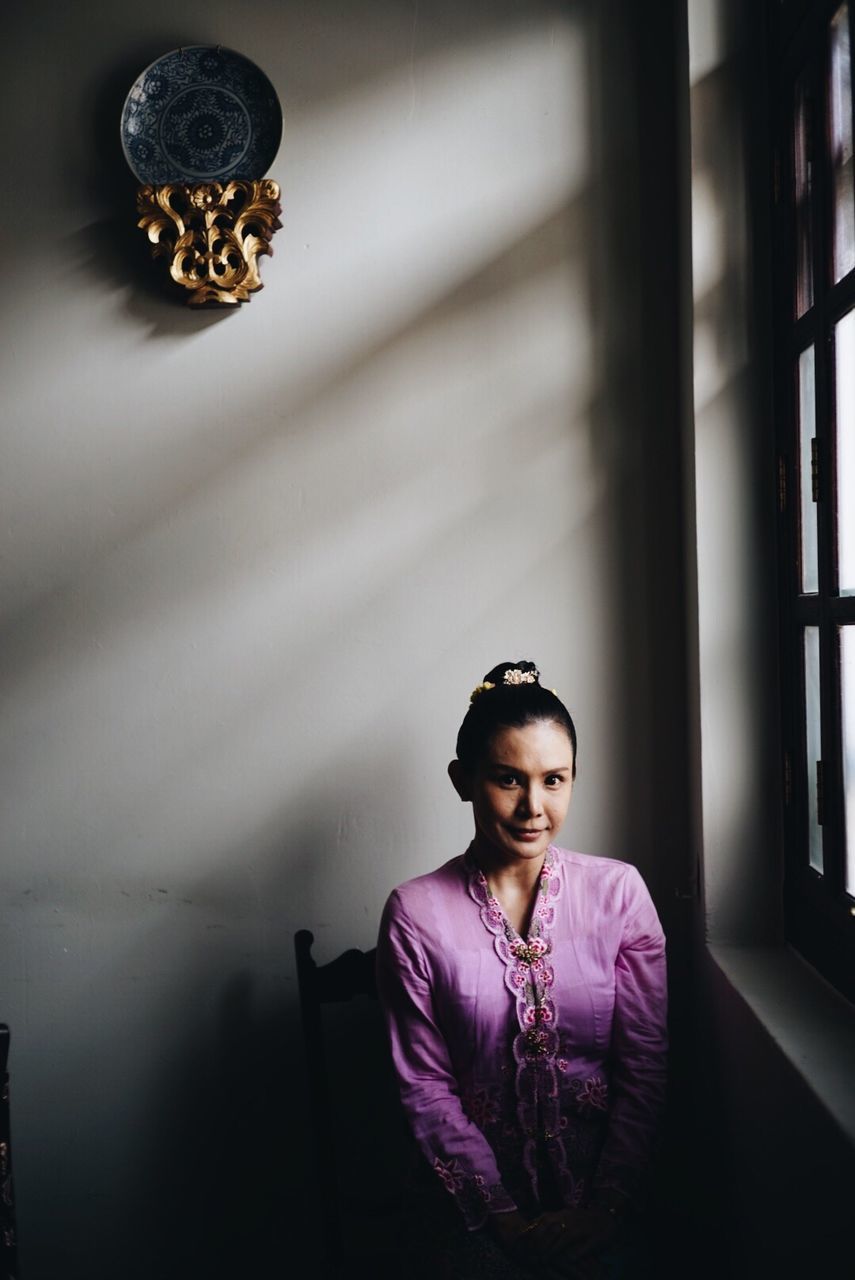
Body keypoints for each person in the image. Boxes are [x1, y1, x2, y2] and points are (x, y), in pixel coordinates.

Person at [375, 661, 668, 1279]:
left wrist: (606, 1208)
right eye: (509, 779)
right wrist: (504, 1219)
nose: (534, 807)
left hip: (604, 1200)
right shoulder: (415, 913)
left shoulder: (620, 894)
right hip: (470, 1210)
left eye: (554, 780)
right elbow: (424, 1089)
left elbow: (644, 1066)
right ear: (464, 780)